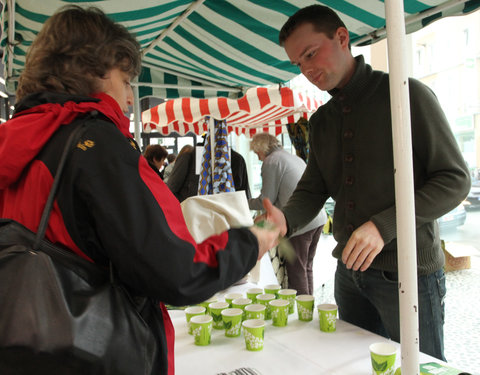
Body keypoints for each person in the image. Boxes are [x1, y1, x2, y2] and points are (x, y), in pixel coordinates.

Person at [0, 6, 279, 374]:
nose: (130, 96)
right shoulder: (97, 145)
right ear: (96, 69)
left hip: (23, 346)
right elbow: (177, 271)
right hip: (94, 355)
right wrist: (253, 242)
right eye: (126, 79)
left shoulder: (17, 143)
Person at [261, 4, 471, 360]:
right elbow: (313, 188)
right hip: (350, 273)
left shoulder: (407, 96)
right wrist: (286, 219)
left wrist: (382, 226)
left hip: (408, 275)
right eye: (298, 63)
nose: (307, 69)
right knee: (358, 366)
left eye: (311, 53)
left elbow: (455, 180)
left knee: (420, 368)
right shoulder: (322, 120)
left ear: (342, 38)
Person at [248, 133, 327, 295]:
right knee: (306, 267)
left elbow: (266, 199)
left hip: (298, 223)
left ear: (262, 148)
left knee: (297, 271)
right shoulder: (291, 157)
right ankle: (308, 310)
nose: (258, 158)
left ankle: (302, 314)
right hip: (317, 217)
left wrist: (244, 203)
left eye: (257, 153)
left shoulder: (271, 161)